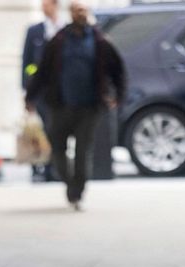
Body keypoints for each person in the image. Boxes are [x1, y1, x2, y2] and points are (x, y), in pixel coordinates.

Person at [25, 0, 125, 210]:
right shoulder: (58, 41)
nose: (80, 13)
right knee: (57, 149)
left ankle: (77, 192)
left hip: (89, 107)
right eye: (77, 10)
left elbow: (118, 70)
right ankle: (70, 182)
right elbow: (42, 71)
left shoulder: (99, 42)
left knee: (83, 151)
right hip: (61, 106)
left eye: (83, 10)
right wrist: (30, 97)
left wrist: (117, 95)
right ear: (70, 13)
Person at [22, 0, 65, 182]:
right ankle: (39, 165)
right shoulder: (35, 31)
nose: (43, 7)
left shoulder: (64, 30)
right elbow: (27, 63)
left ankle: (52, 167)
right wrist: (27, 89)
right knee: (41, 129)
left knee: (56, 130)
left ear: (55, 5)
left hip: (61, 91)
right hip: (41, 91)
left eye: (46, 3)